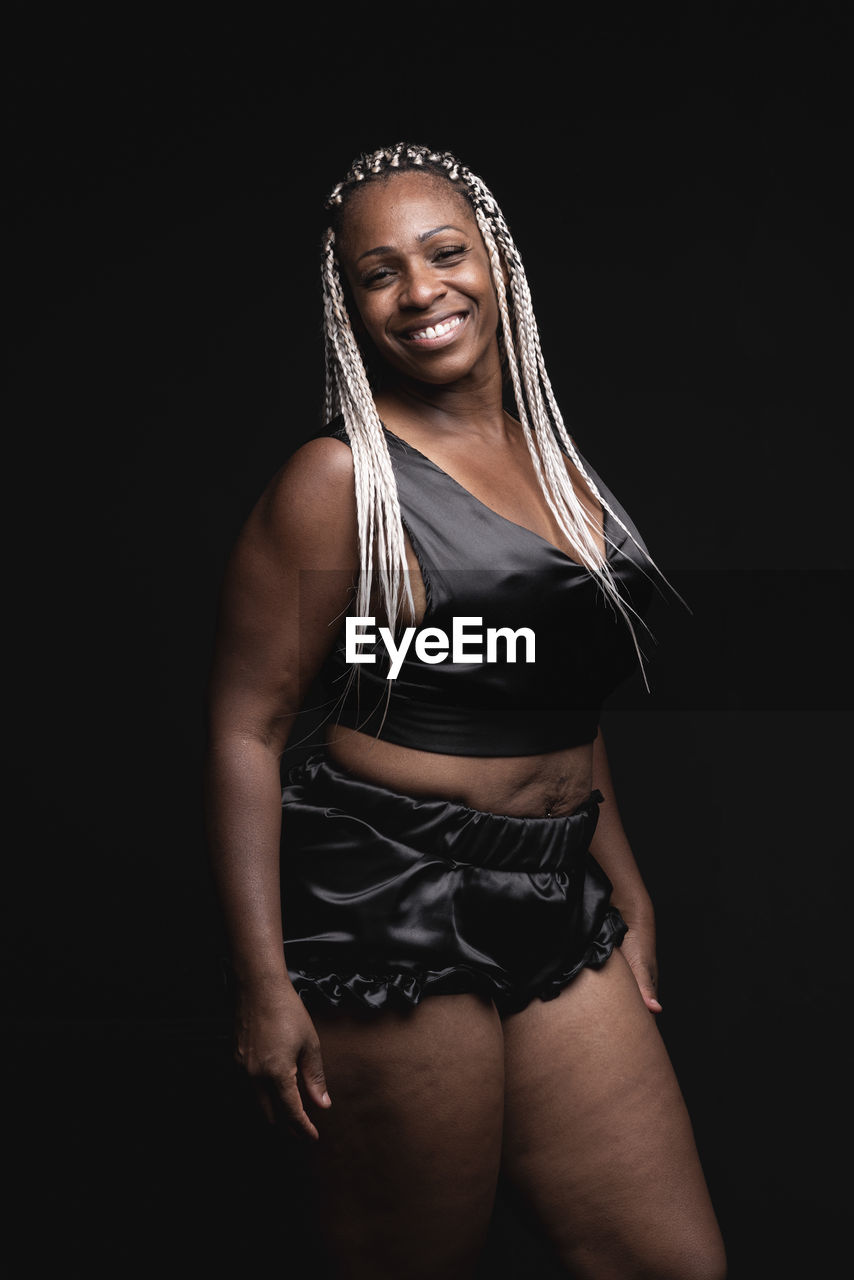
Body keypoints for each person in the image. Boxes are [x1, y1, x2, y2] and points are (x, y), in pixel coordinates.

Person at [204, 142, 728, 1280]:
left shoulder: (555, 463)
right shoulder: (338, 480)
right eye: (378, 272)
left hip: (551, 881)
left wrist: (618, 872)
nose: (419, 290)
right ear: (349, 304)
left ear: (495, 262)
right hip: (389, 894)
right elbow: (245, 730)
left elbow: (547, 695)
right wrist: (262, 982)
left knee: (668, 1261)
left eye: (444, 253)